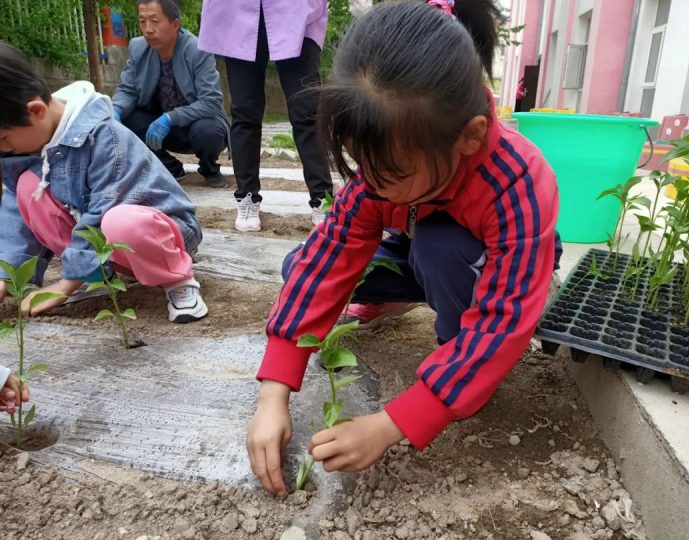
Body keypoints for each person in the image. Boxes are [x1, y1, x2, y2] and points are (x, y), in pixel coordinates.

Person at [246, 0, 562, 497]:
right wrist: (273, 392)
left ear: (469, 138)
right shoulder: (384, 168)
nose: (370, 184)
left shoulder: (517, 183)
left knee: (442, 248)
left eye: (388, 174)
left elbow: (505, 316)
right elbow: (329, 257)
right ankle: (396, 298)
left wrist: (396, 420)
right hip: (413, 246)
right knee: (301, 264)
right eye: (359, 165)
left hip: (482, 267)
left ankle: (456, 347)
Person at [0, 42, 208, 323]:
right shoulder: (38, 139)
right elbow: (16, 215)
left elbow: (100, 214)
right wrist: (5, 276)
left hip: (163, 233)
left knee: (119, 221)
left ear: (36, 111)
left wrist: (65, 285)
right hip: (110, 246)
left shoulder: (104, 136)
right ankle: (96, 274)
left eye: (4, 140)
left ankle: (178, 281)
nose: (6, 149)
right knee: (26, 186)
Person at [198, 0, 334, 231]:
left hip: (296, 10)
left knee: (307, 112)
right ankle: (247, 196)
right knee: (244, 112)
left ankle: (323, 199)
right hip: (236, 11)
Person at [113, 0, 228, 189]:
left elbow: (211, 101)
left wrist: (171, 117)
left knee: (209, 131)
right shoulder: (138, 48)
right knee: (126, 119)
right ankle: (169, 167)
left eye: (155, 21)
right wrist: (115, 110)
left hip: (196, 125)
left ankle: (209, 169)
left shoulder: (198, 50)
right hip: (159, 127)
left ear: (175, 24)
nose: (148, 29)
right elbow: (128, 90)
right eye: (142, 21)